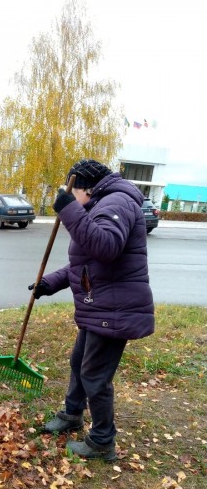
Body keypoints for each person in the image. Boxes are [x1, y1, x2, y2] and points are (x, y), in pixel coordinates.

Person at [29, 159, 154, 462]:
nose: (74, 201)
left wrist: (68, 209)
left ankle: (102, 441)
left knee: (95, 376)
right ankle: (72, 414)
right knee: (78, 363)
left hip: (115, 310)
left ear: (84, 188)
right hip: (100, 305)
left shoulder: (118, 203)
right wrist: (50, 283)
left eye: (74, 194)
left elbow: (105, 246)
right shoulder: (103, 203)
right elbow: (86, 264)